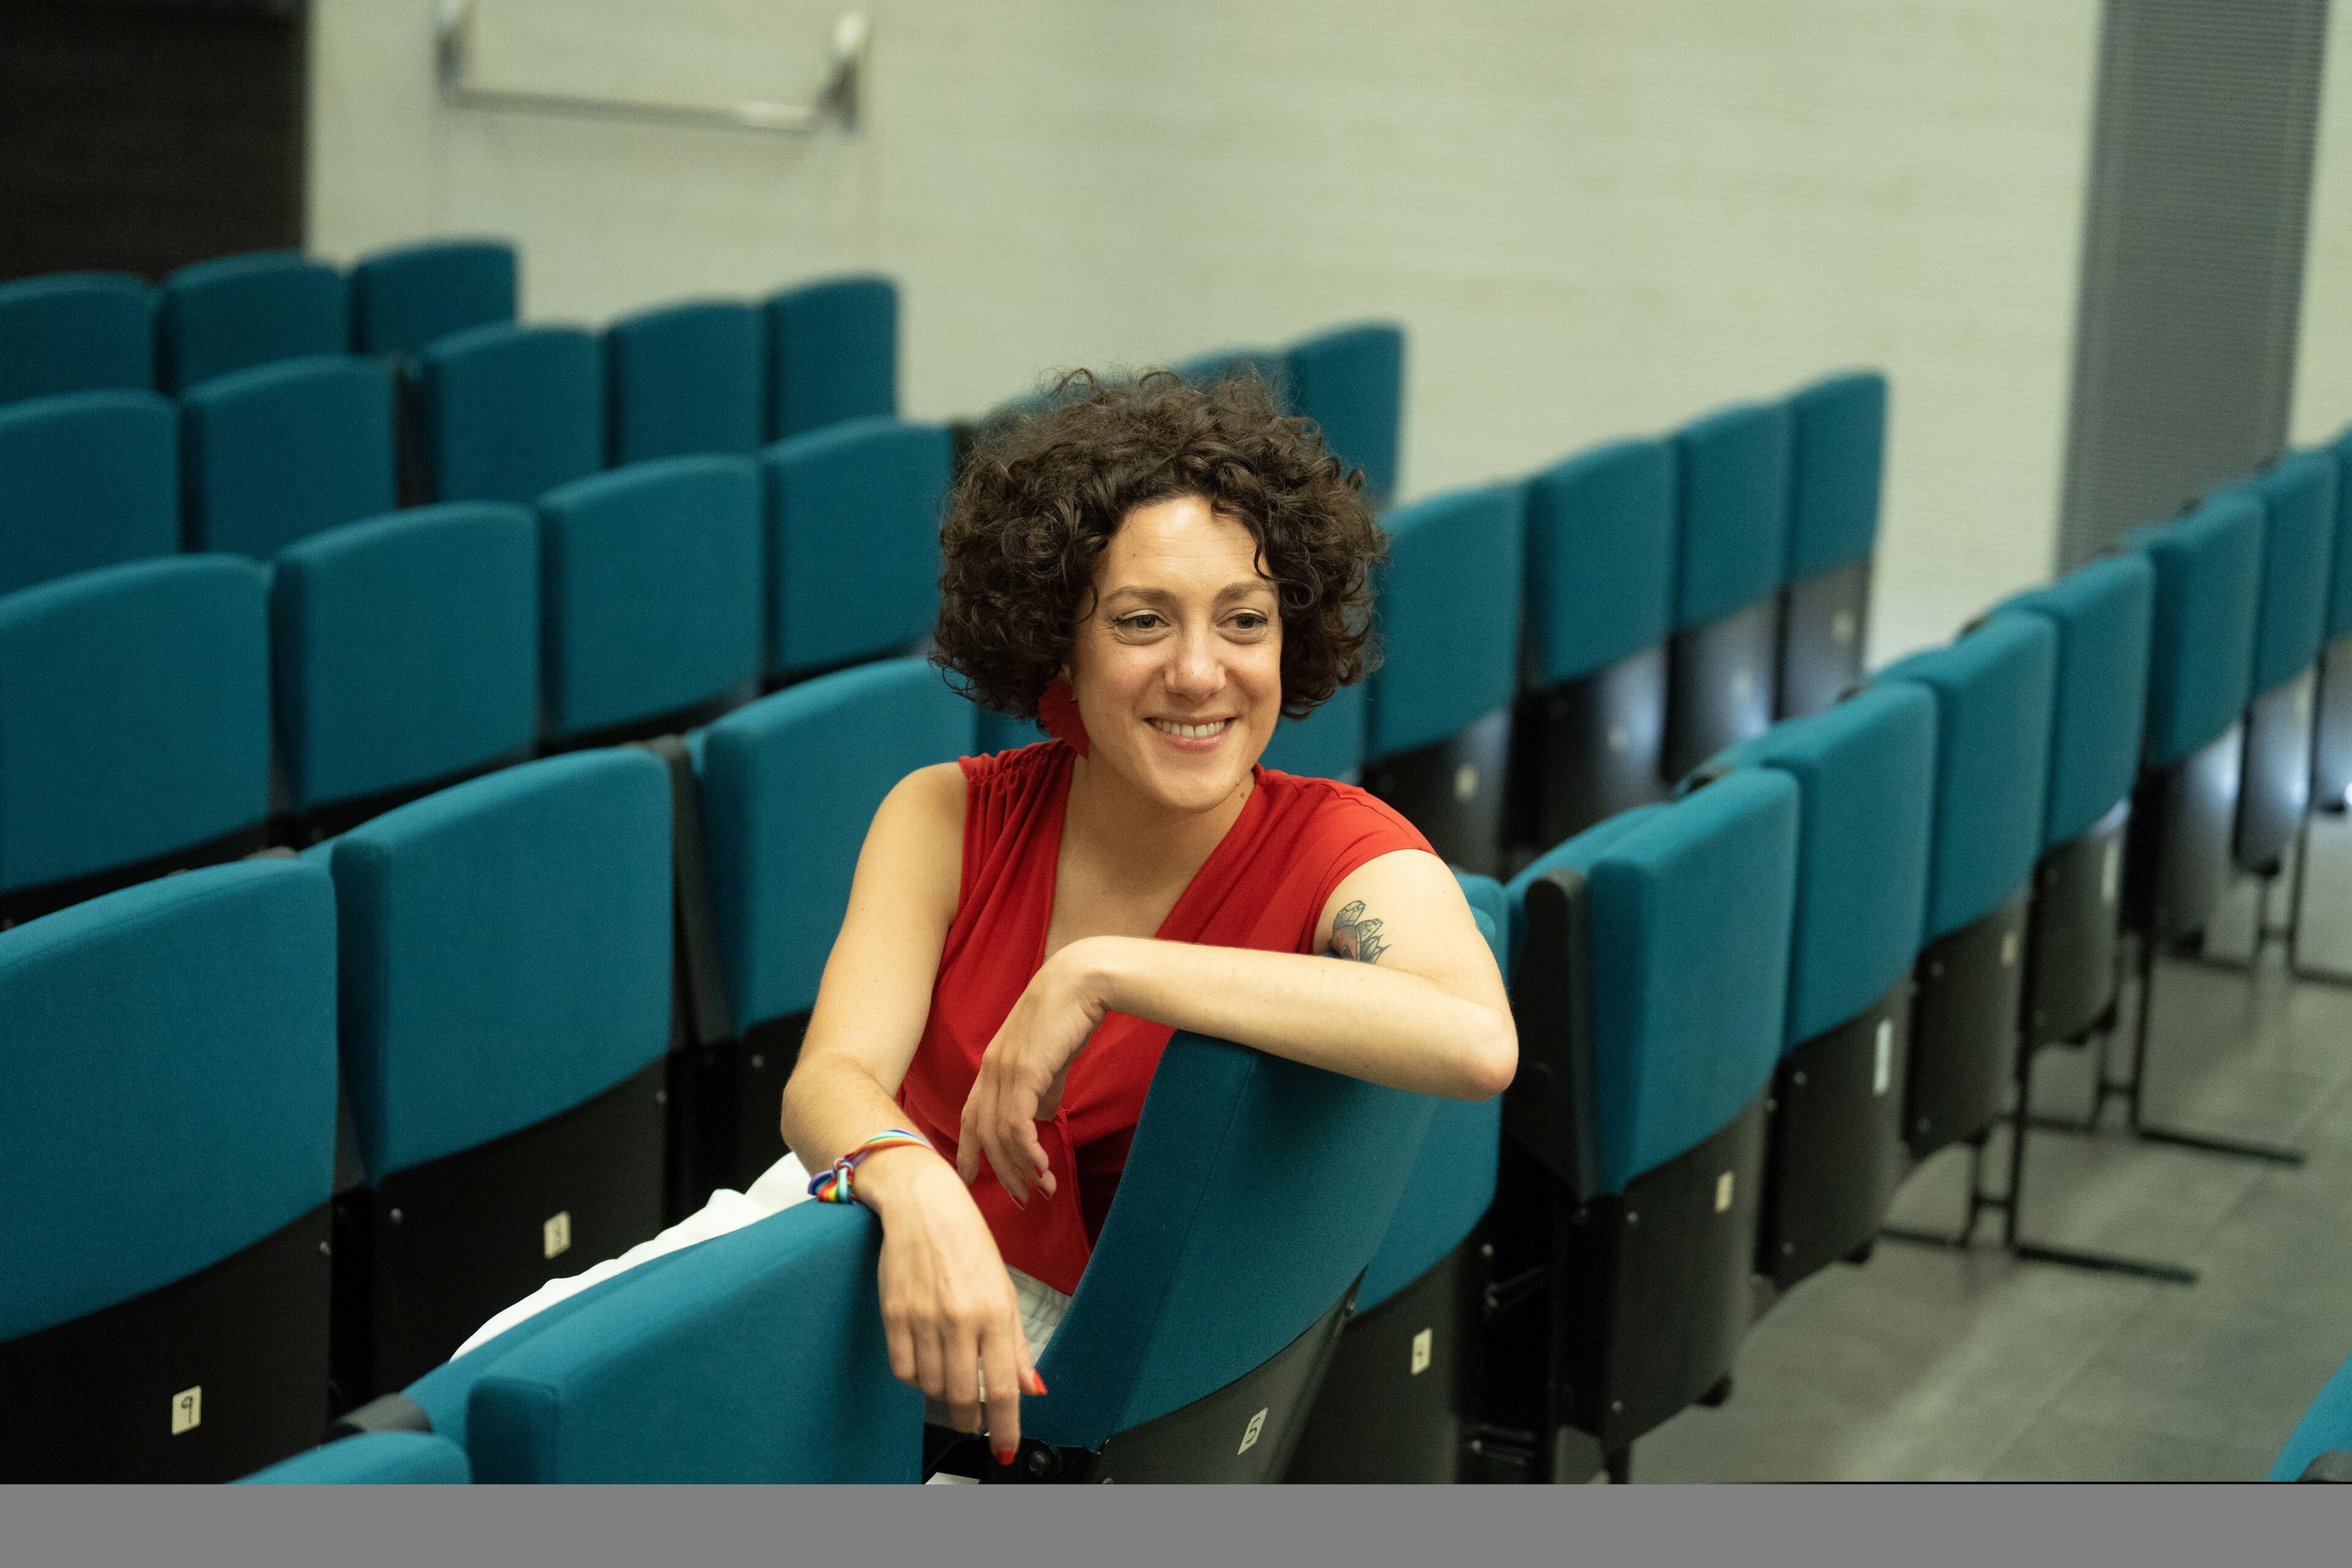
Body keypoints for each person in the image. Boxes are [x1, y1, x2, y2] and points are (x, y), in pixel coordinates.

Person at [454, 371, 1515, 1470]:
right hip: (856, 1214)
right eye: (1142, 622)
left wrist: (1104, 971)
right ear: (1060, 644)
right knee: (494, 1387)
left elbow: (1478, 1038)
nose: (1201, 672)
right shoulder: (945, 812)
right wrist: (914, 1184)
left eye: (1244, 622)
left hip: (1030, 1350)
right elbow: (829, 1081)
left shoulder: (1342, 848)